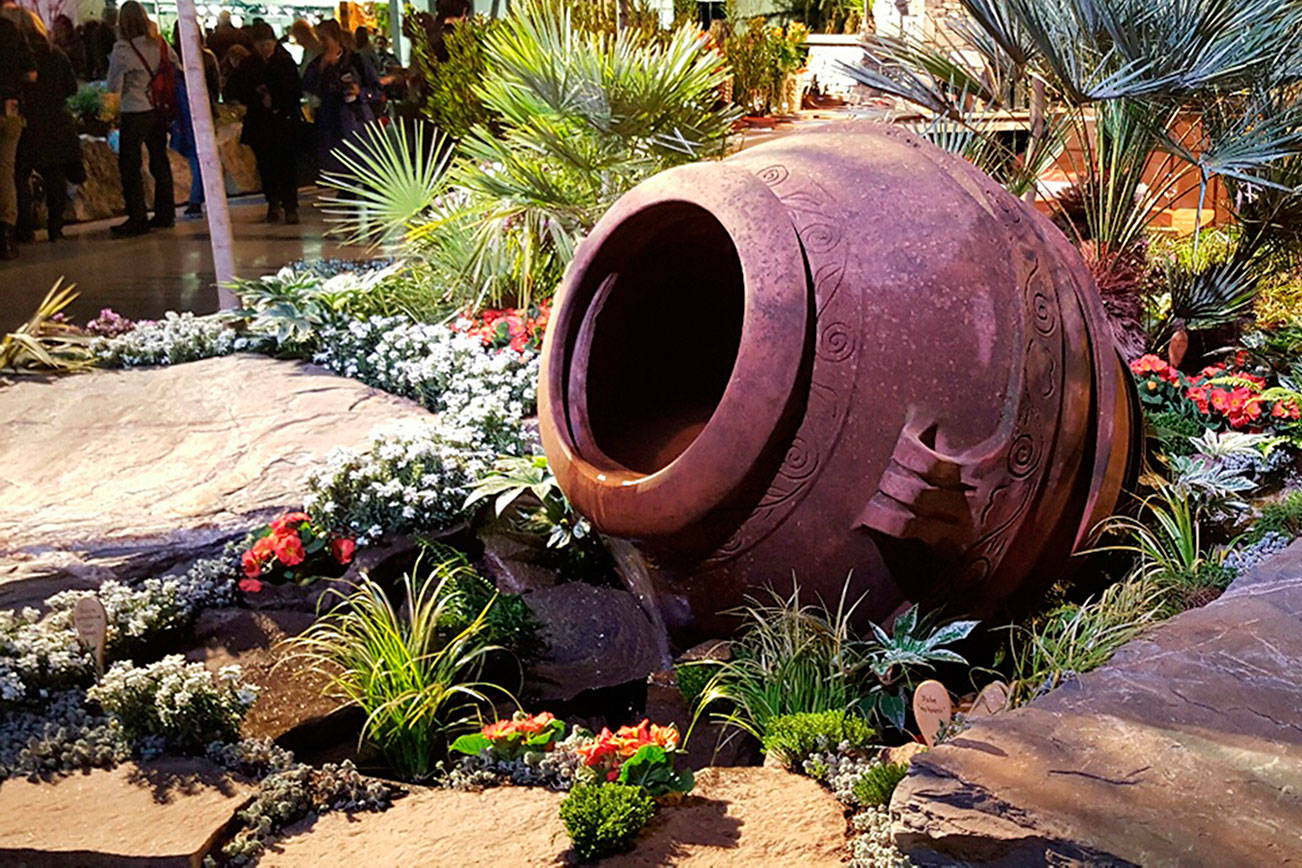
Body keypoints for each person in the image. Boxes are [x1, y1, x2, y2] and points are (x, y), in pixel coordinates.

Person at [106, 0, 178, 237]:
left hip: (134, 109)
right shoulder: (160, 44)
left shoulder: (122, 49)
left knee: (130, 165)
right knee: (159, 160)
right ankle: (166, 213)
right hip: (158, 109)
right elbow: (176, 67)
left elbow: (113, 86)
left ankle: (137, 217)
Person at [13, 9, 80, 243]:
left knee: (20, 175)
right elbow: (72, 88)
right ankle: (55, 226)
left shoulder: (16, 57)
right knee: (55, 177)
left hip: (26, 121)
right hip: (55, 121)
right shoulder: (56, 55)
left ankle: (24, 227)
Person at [225, 21, 301, 223]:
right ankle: (273, 202)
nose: (265, 49)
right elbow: (235, 89)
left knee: (286, 165)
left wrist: (276, 100)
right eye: (260, 45)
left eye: (268, 44)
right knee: (266, 166)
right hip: (261, 122)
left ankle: (290, 205)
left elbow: (294, 91)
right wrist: (256, 95)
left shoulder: (284, 62)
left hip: (282, 120)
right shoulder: (250, 65)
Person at [302, 19, 380, 180]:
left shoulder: (356, 61)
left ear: (335, 38)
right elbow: (307, 89)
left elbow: (376, 89)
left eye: (324, 39)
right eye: (319, 39)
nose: (322, 44)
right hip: (329, 124)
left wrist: (360, 92)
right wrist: (322, 69)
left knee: (360, 169)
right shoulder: (316, 64)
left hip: (356, 122)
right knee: (338, 173)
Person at [170, 20, 219, 218]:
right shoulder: (206, 57)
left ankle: (197, 198)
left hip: (183, 114)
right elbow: (215, 87)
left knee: (194, 156)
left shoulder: (173, 58)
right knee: (204, 155)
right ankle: (204, 195)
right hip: (204, 110)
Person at [0, 7, 34, 259]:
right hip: (9, 107)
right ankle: (6, 232)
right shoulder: (10, 30)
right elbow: (31, 73)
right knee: (6, 169)